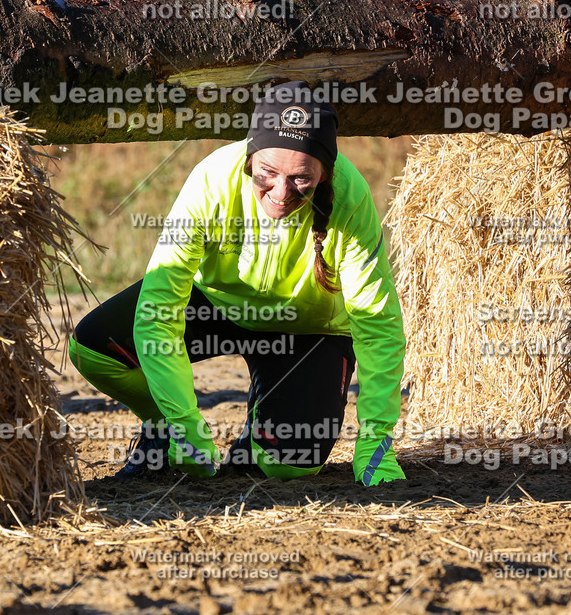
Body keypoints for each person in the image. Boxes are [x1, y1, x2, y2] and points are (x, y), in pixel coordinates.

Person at [68, 81, 406, 486]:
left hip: (306, 329)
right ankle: (162, 432)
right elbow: (160, 309)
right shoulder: (211, 178)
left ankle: (256, 440)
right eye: (267, 173)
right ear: (249, 157)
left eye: (301, 178)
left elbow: (378, 324)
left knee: (290, 464)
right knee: (95, 348)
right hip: (215, 304)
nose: (281, 192)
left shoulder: (350, 197)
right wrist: (182, 421)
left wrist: (376, 441)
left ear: (326, 172)